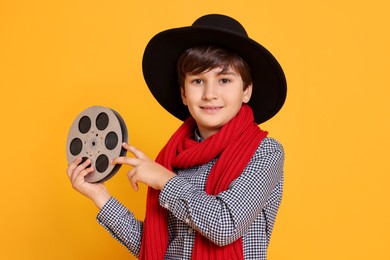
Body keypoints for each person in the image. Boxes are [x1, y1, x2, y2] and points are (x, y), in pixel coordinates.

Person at [67, 14, 287, 260]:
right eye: (197, 81)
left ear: (246, 91)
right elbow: (154, 247)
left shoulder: (266, 152)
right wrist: (99, 195)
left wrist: (163, 179)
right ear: (183, 93)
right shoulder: (173, 158)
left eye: (224, 80)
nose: (210, 94)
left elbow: (226, 225)